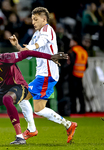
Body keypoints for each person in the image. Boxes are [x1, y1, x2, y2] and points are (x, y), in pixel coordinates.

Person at [9, 7, 77, 143]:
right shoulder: (36, 33)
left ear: (44, 19)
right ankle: (69, 125)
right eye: (32, 19)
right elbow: (27, 54)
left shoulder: (47, 30)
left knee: (22, 97)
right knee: (36, 108)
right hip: (43, 75)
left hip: (47, 74)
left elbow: (41, 43)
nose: (33, 22)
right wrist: (17, 46)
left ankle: (33, 129)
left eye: (36, 19)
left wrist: (31, 47)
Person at [68, 36, 88, 114]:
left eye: (72, 41)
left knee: (72, 94)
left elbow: (71, 63)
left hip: (73, 74)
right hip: (81, 74)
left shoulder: (73, 51)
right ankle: (82, 109)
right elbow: (86, 65)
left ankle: (74, 110)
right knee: (80, 93)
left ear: (75, 42)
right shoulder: (84, 51)